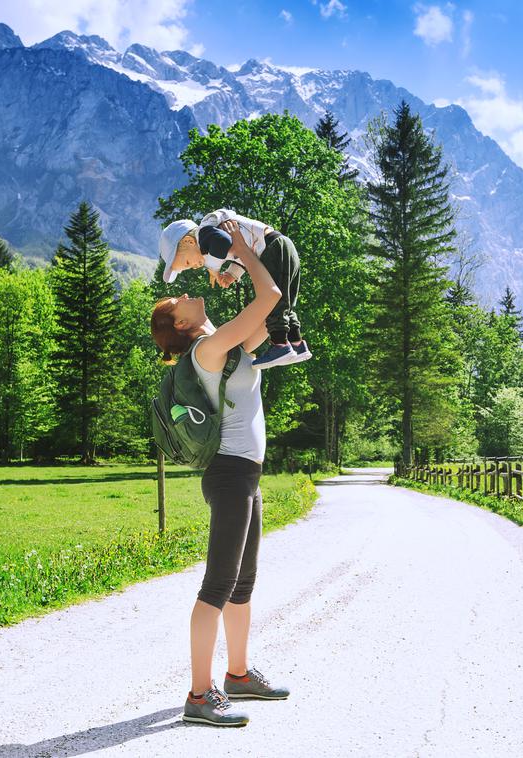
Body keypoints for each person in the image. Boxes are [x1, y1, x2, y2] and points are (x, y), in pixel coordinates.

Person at [150, 219, 292, 727]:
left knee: (243, 582)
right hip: (231, 477)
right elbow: (270, 293)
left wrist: (235, 264)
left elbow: (268, 313)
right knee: (217, 585)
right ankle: (198, 694)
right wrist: (239, 250)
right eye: (177, 304)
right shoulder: (207, 351)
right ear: (182, 326)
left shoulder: (226, 346)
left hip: (245, 477)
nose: (186, 294)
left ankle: (236, 675)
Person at [158, 209, 310, 368]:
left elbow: (225, 243)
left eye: (187, 263)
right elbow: (240, 252)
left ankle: (280, 345)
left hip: (272, 249)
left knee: (277, 306)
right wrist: (231, 274)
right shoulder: (209, 236)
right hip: (280, 247)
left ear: (188, 242)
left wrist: (214, 268)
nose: (194, 268)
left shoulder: (204, 234)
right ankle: (297, 343)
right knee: (286, 304)